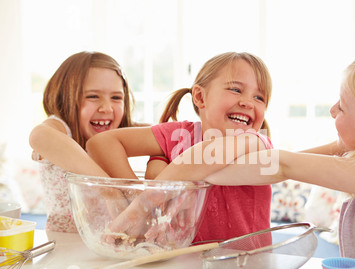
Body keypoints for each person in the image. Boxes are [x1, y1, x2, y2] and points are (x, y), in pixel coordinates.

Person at [202, 52, 355, 265]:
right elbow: (301, 159)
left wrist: (194, 169)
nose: (332, 111)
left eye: (341, 107)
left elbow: (283, 164)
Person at [87, 52, 273, 243]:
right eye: (236, 90)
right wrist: (135, 194)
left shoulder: (258, 143)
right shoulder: (179, 136)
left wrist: (149, 200)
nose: (248, 102)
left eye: (259, 97)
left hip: (248, 263)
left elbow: (210, 154)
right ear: (200, 97)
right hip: (184, 262)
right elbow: (101, 143)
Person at [29, 51, 144, 232]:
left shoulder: (120, 133)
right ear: (64, 97)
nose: (106, 108)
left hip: (113, 243)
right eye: (93, 96)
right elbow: (39, 136)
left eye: (116, 97)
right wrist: (110, 191)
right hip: (65, 246)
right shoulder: (60, 129)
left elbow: (164, 135)